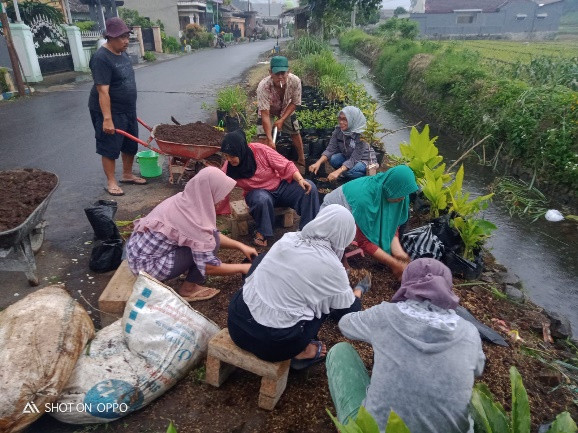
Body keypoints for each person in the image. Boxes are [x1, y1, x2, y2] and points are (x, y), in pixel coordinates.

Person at [326, 258, 485, 433]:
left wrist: (360, 298)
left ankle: (351, 427)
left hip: (378, 429)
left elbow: (345, 324)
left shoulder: (385, 315)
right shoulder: (469, 332)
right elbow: (477, 369)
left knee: (340, 351)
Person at [227, 205, 371, 369]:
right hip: (270, 346)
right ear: (344, 236)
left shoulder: (290, 238)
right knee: (324, 305)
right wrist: (359, 289)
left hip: (236, 324)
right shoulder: (332, 269)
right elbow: (349, 311)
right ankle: (302, 351)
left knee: (264, 261)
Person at [126, 167, 257, 301]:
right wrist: (243, 268)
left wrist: (241, 246)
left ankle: (188, 275)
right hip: (147, 268)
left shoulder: (186, 201)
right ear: (208, 192)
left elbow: (212, 235)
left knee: (210, 239)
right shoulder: (195, 220)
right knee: (208, 245)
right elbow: (208, 266)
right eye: (220, 194)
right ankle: (188, 289)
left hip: (136, 255)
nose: (223, 198)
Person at [220, 129, 319, 247]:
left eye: (232, 155)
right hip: (257, 193)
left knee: (309, 188)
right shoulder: (229, 168)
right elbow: (219, 185)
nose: (229, 159)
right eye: (226, 156)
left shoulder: (260, 150)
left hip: (280, 187)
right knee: (261, 199)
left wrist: (300, 180)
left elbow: (286, 165)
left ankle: (307, 232)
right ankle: (263, 233)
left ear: (241, 149)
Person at [320, 165, 418, 279]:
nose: (402, 199)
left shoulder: (398, 194)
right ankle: (342, 265)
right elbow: (364, 242)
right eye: (400, 195)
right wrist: (394, 264)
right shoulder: (365, 199)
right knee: (339, 236)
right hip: (333, 214)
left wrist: (399, 253)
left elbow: (392, 224)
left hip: (360, 209)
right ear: (391, 188)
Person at [88, 17, 146, 197]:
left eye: (127, 36)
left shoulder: (123, 53)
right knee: (110, 146)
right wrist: (107, 119)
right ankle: (111, 182)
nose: (126, 41)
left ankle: (127, 175)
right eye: (121, 37)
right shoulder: (101, 58)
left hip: (127, 109)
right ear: (110, 38)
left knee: (130, 144)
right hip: (109, 111)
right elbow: (102, 91)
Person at [256, 56, 306, 167]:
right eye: (277, 74)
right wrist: (270, 139)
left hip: (286, 108)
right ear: (270, 73)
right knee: (263, 137)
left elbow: (295, 102)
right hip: (268, 110)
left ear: (288, 71)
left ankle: (302, 158)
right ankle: (263, 164)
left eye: (283, 73)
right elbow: (265, 114)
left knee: (295, 131)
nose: (280, 77)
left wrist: (282, 119)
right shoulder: (263, 87)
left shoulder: (295, 81)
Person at [309, 106, 376, 181]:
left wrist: (338, 172)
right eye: (340, 118)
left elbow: (354, 159)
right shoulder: (338, 130)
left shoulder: (362, 135)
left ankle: (362, 179)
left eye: (345, 119)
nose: (341, 122)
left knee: (349, 171)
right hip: (348, 156)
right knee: (333, 159)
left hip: (364, 160)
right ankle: (346, 173)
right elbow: (330, 149)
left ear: (352, 120)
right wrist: (318, 163)